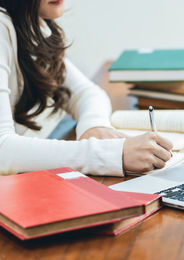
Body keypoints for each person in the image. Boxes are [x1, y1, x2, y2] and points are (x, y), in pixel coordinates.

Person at [0, 0, 173, 176]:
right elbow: (2, 150)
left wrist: (94, 126)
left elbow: (86, 92)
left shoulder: (31, 25)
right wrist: (111, 154)